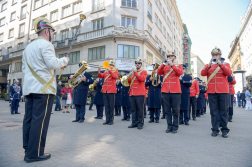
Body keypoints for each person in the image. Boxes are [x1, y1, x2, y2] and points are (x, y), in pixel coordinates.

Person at [22, 17, 69, 162]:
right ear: (47, 31)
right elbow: (51, 63)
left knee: (29, 119)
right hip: (43, 90)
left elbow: (25, 69)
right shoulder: (47, 45)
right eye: (52, 32)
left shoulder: (28, 47)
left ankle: (28, 149)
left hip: (30, 89)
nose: (53, 35)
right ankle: (35, 153)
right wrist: (64, 61)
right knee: (40, 121)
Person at [201, 47, 232, 138]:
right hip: (211, 91)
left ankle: (224, 130)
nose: (215, 56)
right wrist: (209, 64)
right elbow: (202, 73)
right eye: (213, 55)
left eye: (216, 55)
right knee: (213, 112)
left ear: (220, 55)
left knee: (224, 111)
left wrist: (220, 64)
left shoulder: (226, 64)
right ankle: (215, 130)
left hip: (223, 91)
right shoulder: (208, 65)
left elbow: (228, 73)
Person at [157, 51, 183, 134]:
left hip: (175, 91)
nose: (169, 58)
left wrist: (172, 65)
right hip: (165, 90)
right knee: (167, 110)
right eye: (168, 56)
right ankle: (169, 126)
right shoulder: (164, 66)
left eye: (171, 56)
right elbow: (158, 72)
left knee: (175, 110)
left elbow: (180, 73)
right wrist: (163, 64)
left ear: (174, 58)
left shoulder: (178, 66)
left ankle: (175, 127)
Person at [128, 57, 147, 129]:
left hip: (140, 93)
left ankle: (140, 123)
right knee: (133, 109)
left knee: (140, 109)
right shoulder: (132, 73)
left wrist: (135, 72)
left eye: (139, 63)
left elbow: (142, 79)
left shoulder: (143, 72)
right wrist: (127, 78)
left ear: (141, 64)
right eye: (136, 63)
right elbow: (129, 83)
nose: (137, 64)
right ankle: (134, 122)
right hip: (132, 93)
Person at [98, 60, 118, 125]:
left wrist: (110, 70)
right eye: (109, 65)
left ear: (113, 66)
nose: (110, 66)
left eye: (111, 65)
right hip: (105, 90)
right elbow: (101, 76)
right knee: (106, 106)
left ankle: (111, 120)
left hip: (111, 91)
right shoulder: (105, 72)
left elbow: (114, 77)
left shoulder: (115, 71)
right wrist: (99, 71)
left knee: (111, 106)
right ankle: (107, 119)